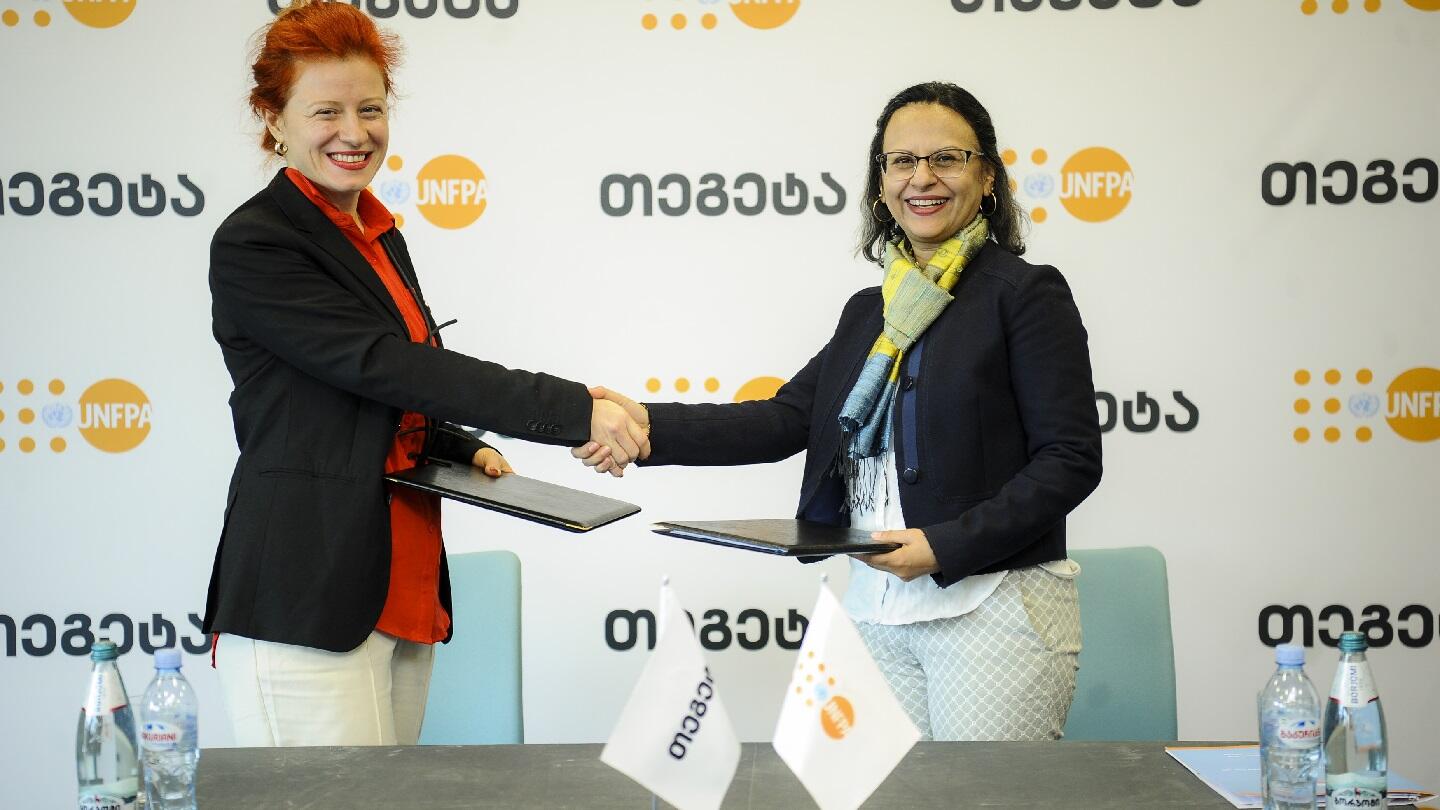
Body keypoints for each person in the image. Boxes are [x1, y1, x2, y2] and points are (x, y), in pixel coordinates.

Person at [575, 82, 1103, 741]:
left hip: (991, 608)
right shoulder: (870, 312)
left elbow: (1071, 459)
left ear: (987, 176)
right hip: (876, 608)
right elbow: (786, 419)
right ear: (881, 183)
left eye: (947, 158)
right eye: (901, 162)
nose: (922, 177)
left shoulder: (1025, 296)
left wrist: (945, 545)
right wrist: (648, 425)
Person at [204, 0, 646, 747]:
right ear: (273, 118)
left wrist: (451, 442)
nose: (355, 132)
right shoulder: (257, 242)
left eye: (371, 108)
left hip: (397, 587)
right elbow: (384, 365)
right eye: (326, 112)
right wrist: (575, 409)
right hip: (304, 595)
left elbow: (375, 388)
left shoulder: (376, 234)